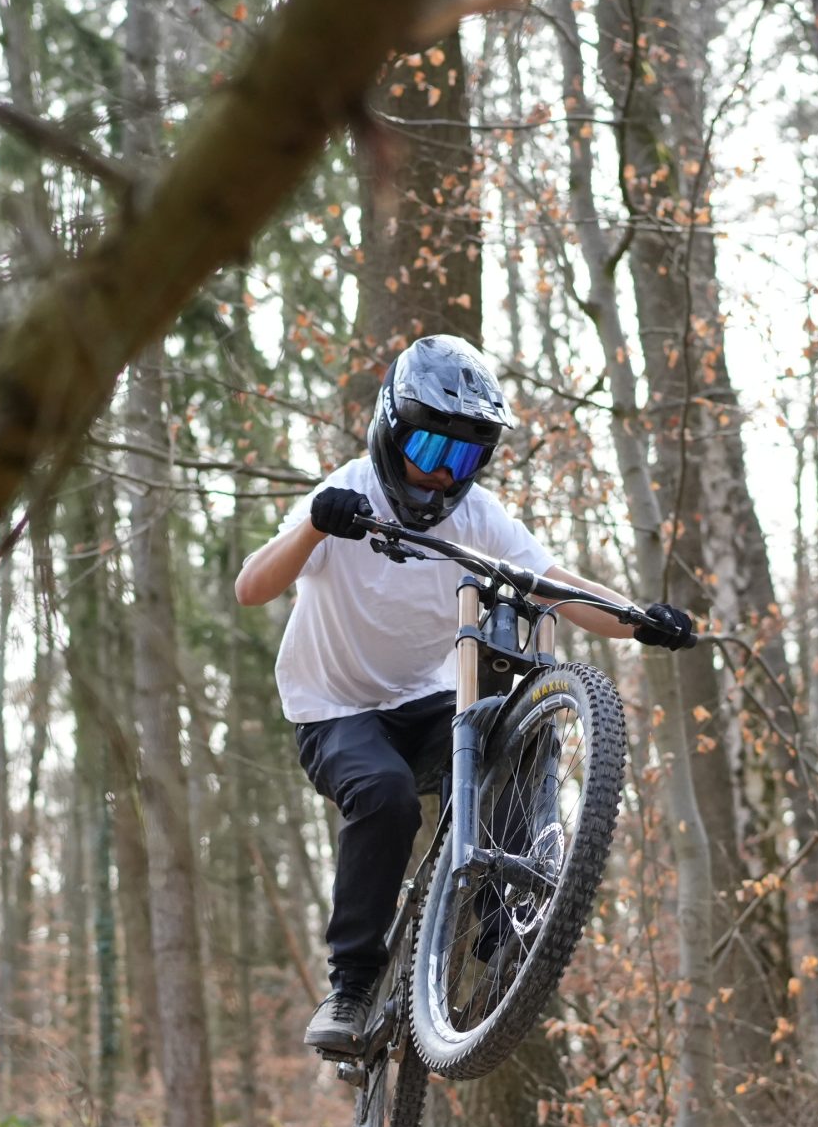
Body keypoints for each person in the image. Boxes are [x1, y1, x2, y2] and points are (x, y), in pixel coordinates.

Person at [234, 334, 697, 1054]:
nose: (443, 477)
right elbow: (250, 587)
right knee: (384, 795)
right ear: (391, 431)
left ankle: (501, 918)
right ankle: (351, 985)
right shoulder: (346, 490)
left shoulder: (479, 518)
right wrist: (312, 527)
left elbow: (559, 586)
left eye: (465, 460)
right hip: (334, 711)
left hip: (424, 703)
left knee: (503, 729)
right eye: (430, 451)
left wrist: (640, 620)